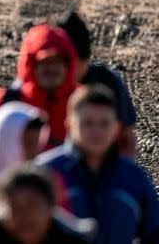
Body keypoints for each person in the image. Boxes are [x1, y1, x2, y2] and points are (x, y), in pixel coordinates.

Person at [38, 86, 159, 244]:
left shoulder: (134, 178)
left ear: (116, 128)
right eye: (88, 123)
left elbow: (155, 233)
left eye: (104, 124)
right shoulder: (46, 172)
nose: (96, 131)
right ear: (69, 126)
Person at [0, 24, 77, 147]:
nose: (51, 69)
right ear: (30, 65)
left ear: (68, 65)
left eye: (58, 61)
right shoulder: (4, 104)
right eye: (45, 62)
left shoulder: (84, 103)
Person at [56, 11, 137, 156]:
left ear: (87, 59)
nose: (70, 73)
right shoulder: (46, 81)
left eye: (76, 64)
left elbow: (127, 137)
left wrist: (122, 172)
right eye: (65, 64)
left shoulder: (108, 82)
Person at [0, 165, 94, 244]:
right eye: (15, 207)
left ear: (51, 205)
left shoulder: (76, 240)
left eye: (32, 205)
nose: (25, 216)